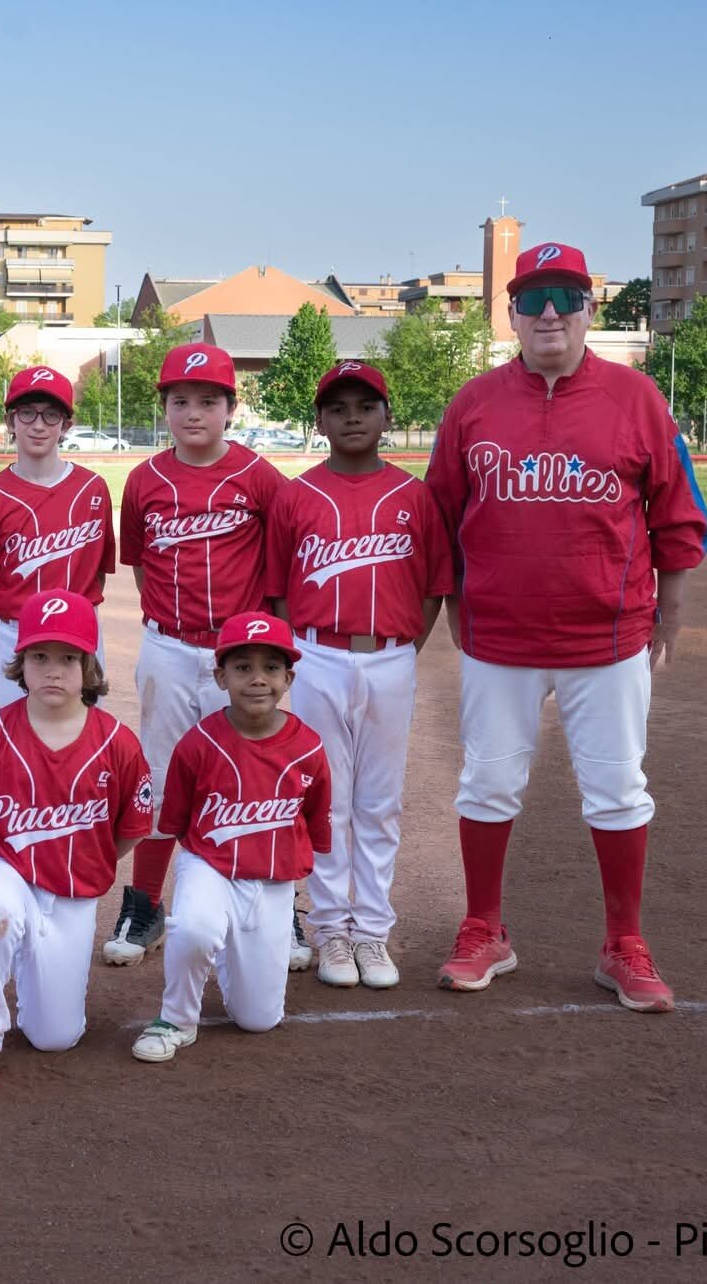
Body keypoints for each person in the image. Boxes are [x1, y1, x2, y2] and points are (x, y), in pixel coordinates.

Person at [425, 241, 707, 1014]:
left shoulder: (637, 397)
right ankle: (485, 927)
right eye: (533, 297)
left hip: (608, 638)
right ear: (512, 312)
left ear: (591, 307)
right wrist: (448, 604)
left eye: (566, 296)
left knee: (617, 790)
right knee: (487, 781)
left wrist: (671, 613)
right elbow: (438, 515)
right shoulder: (474, 403)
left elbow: (677, 512)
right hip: (499, 639)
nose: (549, 313)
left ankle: (624, 943)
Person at [264, 361, 451, 990]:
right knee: (329, 800)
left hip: (392, 656)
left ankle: (372, 931)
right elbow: (279, 593)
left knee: (379, 803)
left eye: (364, 405)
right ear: (318, 420)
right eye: (337, 406)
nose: (351, 416)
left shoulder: (414, 496)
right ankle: (330, 930)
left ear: (386, 417)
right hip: (316, 654)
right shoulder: (297, 495)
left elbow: (433, 590)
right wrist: (300, 655)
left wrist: (403, 651)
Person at [106, 342, 288, 968]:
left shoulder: (259, 476)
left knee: (256, 775)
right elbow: (137, 563)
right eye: (180, 400)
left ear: (231, 408)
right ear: (163, 408)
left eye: (208, 401)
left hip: (240, 654)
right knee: (159, 777)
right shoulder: (144, 480)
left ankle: (272, 911)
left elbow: (283, 564)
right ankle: (146, 904)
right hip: (167, 645)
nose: (193, 413)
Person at [0, 590, 153, 1102]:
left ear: (88, 665)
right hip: (3, 868)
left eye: (67, 658)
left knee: (54, 1038)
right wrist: (3, 867)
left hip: (72, 890)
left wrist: (79, 862)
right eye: (39, 657)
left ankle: (25, 954)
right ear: (21, 664)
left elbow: (127, 830)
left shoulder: (118, 743)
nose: (52, 670)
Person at [132, 613, 331, 1063]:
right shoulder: (198, 744)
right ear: (220, 677)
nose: (257, 679)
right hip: (212, 866)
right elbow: (179, 823)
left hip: (273, 881)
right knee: (195, 926)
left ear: (289, 678)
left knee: (257, 1019)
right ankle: (176, 1018)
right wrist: (206, 877)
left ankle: (229, 947)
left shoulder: (309, 748)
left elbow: (314, 824)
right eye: (243, 668)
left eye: (271, 668)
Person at [0, 366, 115, 706]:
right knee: (18, 734)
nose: (39, 425)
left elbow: (97, 573)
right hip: (18, 632)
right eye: (27, 413)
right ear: (10, 422)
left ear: (67, 425)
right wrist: (7, 631)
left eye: (51, 414)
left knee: (86, 733)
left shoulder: (94, 488)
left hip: (82, 631)